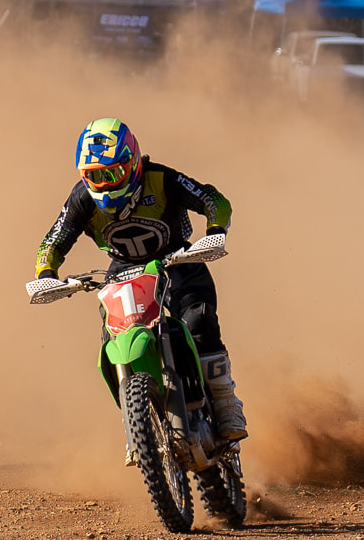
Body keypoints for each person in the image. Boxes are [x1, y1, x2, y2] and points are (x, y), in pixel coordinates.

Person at [33, 118, 247, 441]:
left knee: (199, 322)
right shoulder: (82, 199)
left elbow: (213, 201)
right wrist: (46, 274)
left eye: (112, 173)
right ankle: (138, 428)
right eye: (94, 176)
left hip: (177, 262)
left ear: (132, 162)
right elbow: (53, 241)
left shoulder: (161, 179)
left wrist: (215, 233)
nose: (104, 184)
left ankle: (225, 402)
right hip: (122, 273)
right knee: (111, 341)